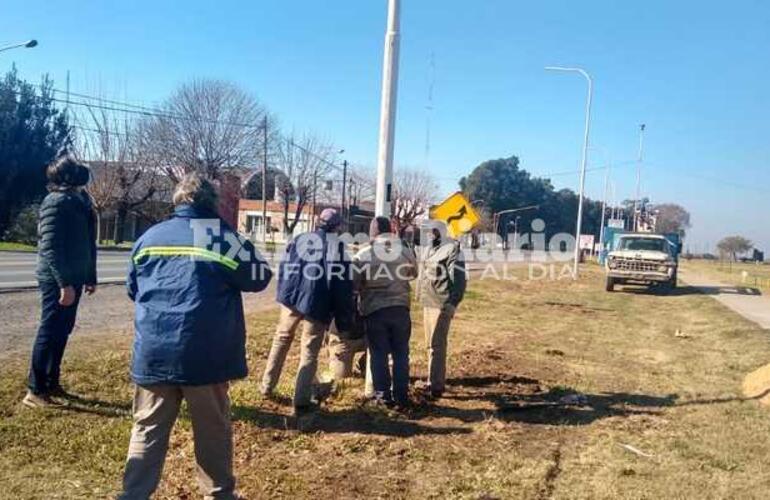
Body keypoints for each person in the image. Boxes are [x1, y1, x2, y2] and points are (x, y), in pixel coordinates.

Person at [118, 173, 272, 500]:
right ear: (211, 203)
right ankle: (218, 494)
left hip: (154, 351)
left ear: (177, 201)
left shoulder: (149, 237)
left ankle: (133, 495)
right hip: (205, 354)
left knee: (147, 427)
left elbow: (133, 288)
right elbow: (259, 278)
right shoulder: (219, 238)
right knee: (212, 430)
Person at [260, 208, 354, 415]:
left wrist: (284, 293)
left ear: (318, 222)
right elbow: (342, 287)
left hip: (292, 298)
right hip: (317, 304)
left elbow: (284, 267)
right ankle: (301, 400)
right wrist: (344, 320)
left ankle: (266, 386)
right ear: (336, 227)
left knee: (281, 338)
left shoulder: (300, 239)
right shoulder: (337, 248)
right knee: (309, 349)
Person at [24, 156, 97, 408]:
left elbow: (88, 242)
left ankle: (52, 381)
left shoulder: (81, 201)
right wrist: (64, 284)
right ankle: (35, 389)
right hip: (57, 279)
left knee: (63, 330)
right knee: (49, 329)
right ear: (66, 177)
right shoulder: (55, 202)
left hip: (75, 277)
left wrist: (90, 276)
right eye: (75, 170)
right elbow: (51, 248)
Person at [354, 217, 417, 407]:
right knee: (401, 354)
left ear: (372, 233)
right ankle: (401, 396)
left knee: (378, 353)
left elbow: (355, 283)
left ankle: (383, 396)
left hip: (375, 310)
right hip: (400, 309)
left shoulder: (363, 254)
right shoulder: (404, 251)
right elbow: (414, 274)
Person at [419, 225, 467, 399]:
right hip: (427, 302)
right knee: (429, 345)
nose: (429, 233)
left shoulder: (453, 250)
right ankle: (431, 380)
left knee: (437, 345)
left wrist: (452, 303)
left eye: (433, 230)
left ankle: (436, 386)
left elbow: (459, 280)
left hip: (441, 303)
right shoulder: (428, 249)